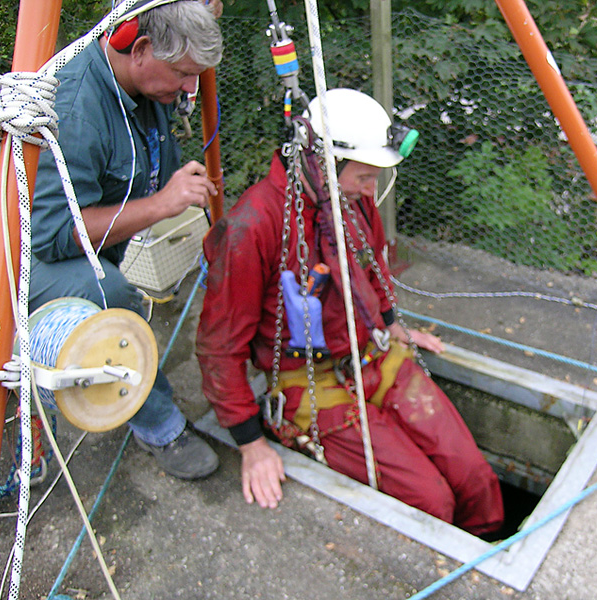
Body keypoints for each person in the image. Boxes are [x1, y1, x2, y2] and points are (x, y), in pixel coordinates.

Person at [196, 89, 504, 536]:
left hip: (376, 356)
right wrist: (250, 445)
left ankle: (485, 556)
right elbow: (218, 348)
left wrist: (394, 325)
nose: (370, 190)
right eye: (363, 176)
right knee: (430, 502)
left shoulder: (349, 199)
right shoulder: (252, 227)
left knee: (477, 480)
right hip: (312, 386)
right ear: (321, 165)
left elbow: (371, 266)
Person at [25, 0, 223, 479]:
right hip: (16, 260)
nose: (190, 88)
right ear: (139, 48)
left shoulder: (141, 90)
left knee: (109, 281)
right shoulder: (77, 110)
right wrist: (162, 204)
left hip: (76, 246)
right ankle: (159, 428)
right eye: (182, 73)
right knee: (111, 293)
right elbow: (51, 234)